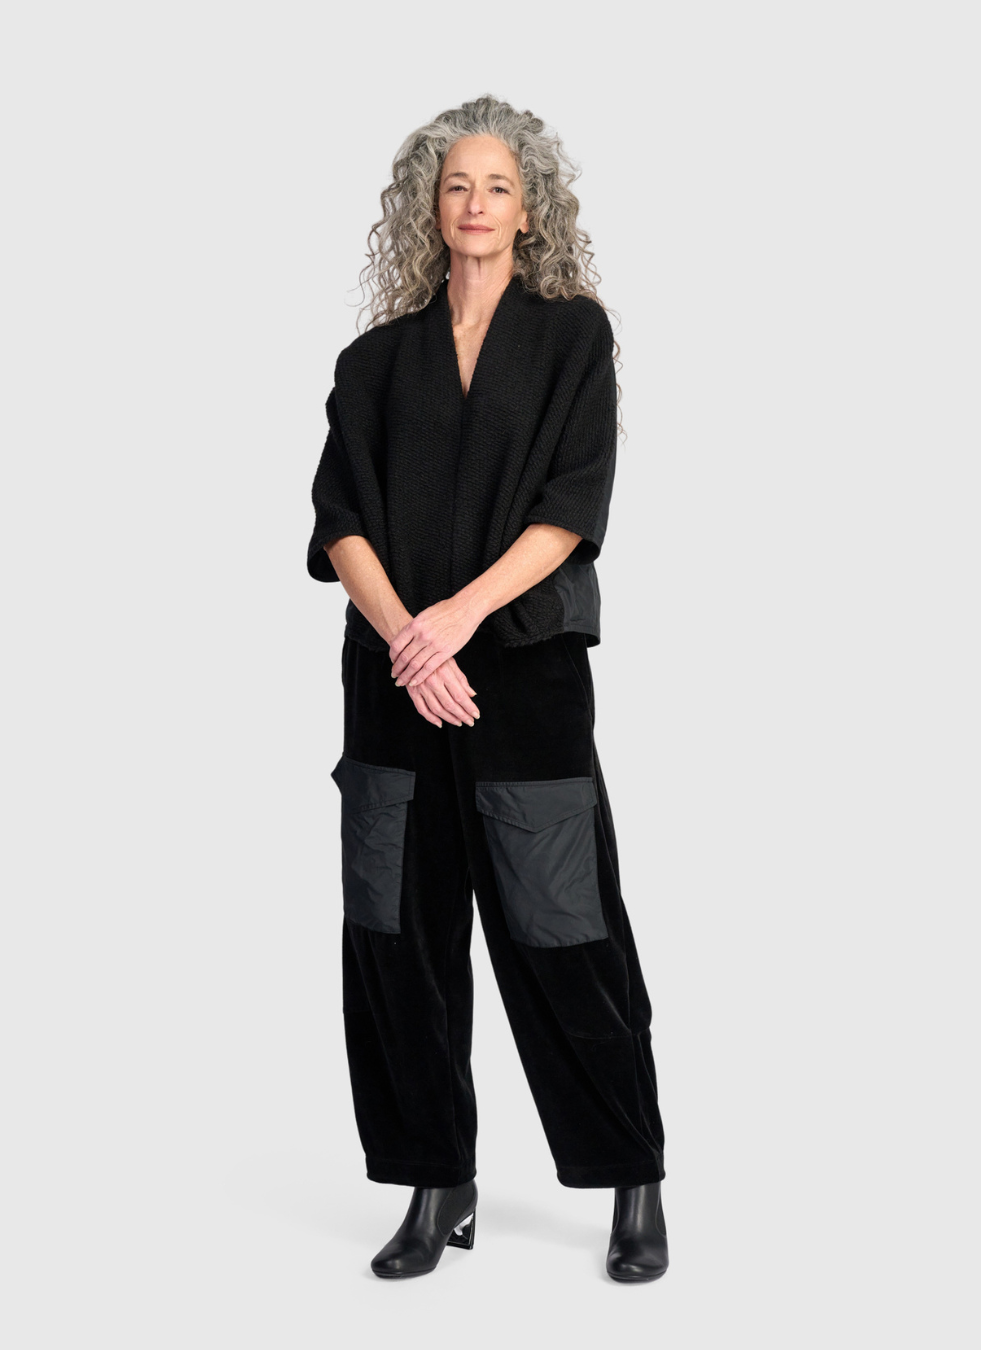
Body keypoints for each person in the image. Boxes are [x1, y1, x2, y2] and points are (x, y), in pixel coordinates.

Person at [306, 94, 669, 1283]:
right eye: (456, 184)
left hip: (522, 680)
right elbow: (340, 520)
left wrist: (457, 621)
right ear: (429, 205)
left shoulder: (572, 339)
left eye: (498, 186)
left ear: (530, 209)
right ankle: (436, 1182)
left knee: (565, 931)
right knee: (396, 939)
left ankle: (631, 1175)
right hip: (393, 687)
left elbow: (573, 506)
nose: (475, 203)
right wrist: (410, 641)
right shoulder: (373, 362)